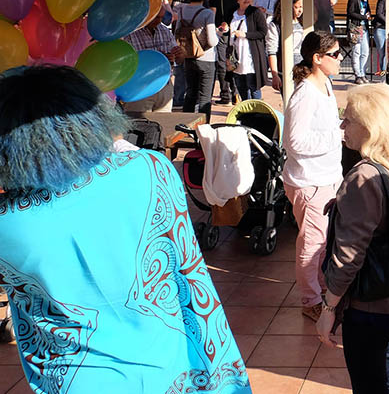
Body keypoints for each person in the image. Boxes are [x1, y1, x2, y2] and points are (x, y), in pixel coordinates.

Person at [0, 66, 250, 392]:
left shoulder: (9, 223)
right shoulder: (151, 170)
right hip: (173, 365)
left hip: (78, 379)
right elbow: (187, 269)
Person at [316, 83, 389, 393]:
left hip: (369, 306)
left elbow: (348, 257)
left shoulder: (364, 176)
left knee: (374, 381)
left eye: (349, 119)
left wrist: (328, 309)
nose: (342, 126)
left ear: (371, 126)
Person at [283, 31, 344, 321]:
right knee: (311, 244)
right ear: (317, 58)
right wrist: (335, 137)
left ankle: (320, 290)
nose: (340, 59)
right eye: (335, 54)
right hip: (310, 182)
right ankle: (310, 300)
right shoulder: (305, 94)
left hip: (327, 178)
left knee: (322, 243)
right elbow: (293, 141)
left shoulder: (326, 85)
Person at [122, 9, 183, 112]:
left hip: (164, 85)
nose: (158, 21)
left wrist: (179, 55)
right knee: (138, 120)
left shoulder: (164, 30)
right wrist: (156, 59)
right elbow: (126, 63)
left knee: (164, 121)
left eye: (161, 17)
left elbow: (179, 60)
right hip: (140, 87)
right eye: (156, 17)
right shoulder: (130, 33)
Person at [173, 0, 219, 117]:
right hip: (206, 59)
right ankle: (203, 128)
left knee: (190, 93)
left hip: (188, 56)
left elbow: (177, 32)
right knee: (205, 98)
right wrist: (219, 35)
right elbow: (212, 41)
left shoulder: (182, 10)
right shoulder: (207, 13)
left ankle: (186, 125)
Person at [227, 0, 269, 101]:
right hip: (236, 54)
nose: (247, 0)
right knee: (240, 85)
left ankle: (257, 109)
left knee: (253, 86)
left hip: (250, 55)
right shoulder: (232, 12)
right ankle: (246, 108)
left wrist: (245, 34)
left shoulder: (255, 12)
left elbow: (263, 32)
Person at [266, 0, 305, 93]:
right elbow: (272, 51)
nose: (299, 10)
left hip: (303, 70)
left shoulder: (304, 23)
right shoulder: (275, 25)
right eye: (296, 7)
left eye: (301, 7)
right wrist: (274, 74)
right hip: (285, 70)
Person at [209, 0, 237, 105]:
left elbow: (212, 16)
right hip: (233, 33)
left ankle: (226, 95)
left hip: (219, 33)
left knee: (221, 64)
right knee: (232, 62)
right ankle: (236, 92)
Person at [346, 0, 374, 84]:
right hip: (355, 27)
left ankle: (362, 73)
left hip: (364, 28)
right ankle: (357, 74)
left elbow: (368, 10)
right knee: (356, 52)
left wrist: (368, 15)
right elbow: (351, 12)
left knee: (365, 52)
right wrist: (363, 17)